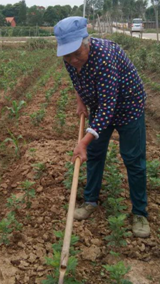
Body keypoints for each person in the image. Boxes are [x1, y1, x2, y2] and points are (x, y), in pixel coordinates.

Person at [54, 16, 150, 238]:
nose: (73, 60)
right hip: (100, 103)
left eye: (77, 54)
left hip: (129, 106)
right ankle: (90, 201)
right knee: (95, 154)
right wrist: (80, 102)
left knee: (133, 158)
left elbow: (109, 106)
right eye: (68, 55)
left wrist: (83, 142)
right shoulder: (68, 58)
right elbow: (77, 80)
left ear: (86, 42)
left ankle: (139, 213)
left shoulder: (104, 57)